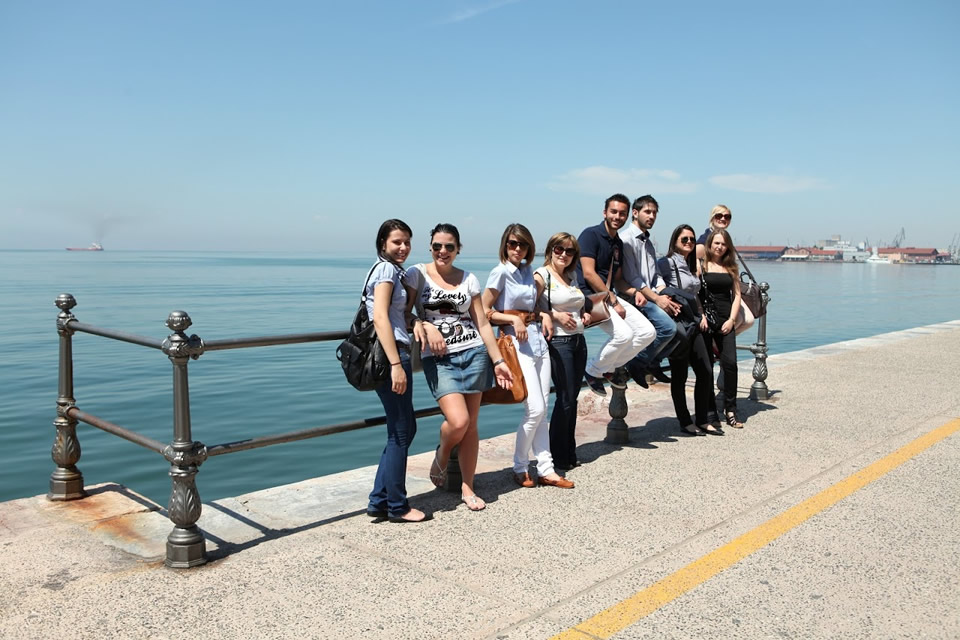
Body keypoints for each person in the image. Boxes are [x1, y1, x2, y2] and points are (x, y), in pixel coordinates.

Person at [405, 223, 514, 511]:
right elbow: (403, 315)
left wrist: (498, 361)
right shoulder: (417, 274)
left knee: (472, 425)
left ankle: (468, 486)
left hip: (474, 353)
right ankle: (442, 454)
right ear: (430, 247)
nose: (443, 251)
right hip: (440, 359)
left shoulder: (469, 280)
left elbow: (481, 323)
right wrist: (423, 323)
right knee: (458, 421)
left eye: (449, 247)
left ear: (458, 249)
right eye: (438, 246)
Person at [482, 224, 574, 489]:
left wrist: (543, 314)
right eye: (512, 244)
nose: (517, 249)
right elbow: (484, 311)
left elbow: (534, 307)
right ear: (505, 245)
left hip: (538, 342)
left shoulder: (527, 272)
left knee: (542, 409)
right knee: (534, 409)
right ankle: (520, 466)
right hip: (514, 344)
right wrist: (512, 318)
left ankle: (546, 469)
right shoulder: (500, 273)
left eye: (522, 245)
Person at [365, 219, 428, 522]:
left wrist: (415, 321)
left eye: (406, 242)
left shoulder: (388, 270)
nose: (403, 248)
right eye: (396, 242)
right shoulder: (387, 270)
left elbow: (395, 314)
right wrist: (395, 365)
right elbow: (380, 318)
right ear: (383, 245)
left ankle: (379, 500)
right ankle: (397, 507)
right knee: (402, 432)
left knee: (400, 430)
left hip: (394, 355)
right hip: (393, 357)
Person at [576, 194, 656, 396]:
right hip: (589, 298)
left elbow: (618, 280)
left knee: (648, 333)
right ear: (605, 212)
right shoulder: (590, 235)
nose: (617, 216)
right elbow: (588, 273)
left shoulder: (617, 243)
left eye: (622, 213)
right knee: (624, 335)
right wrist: (612, 300)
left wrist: (635, 292)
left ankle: (608, 367)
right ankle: (592, 370)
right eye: (613, 211)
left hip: (607, 296)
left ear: (627, 215)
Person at [657, 225, 724, 436]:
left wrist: (702, 314)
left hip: (695, 322)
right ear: (675, 241)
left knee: (705, 371)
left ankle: (703, 419)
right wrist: (663, 297)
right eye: (684, 239)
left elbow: (695, 295)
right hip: (679, 324)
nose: (688, 242)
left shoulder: (691, 264)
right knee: (680, 375)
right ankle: (685, 421)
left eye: (692, 239)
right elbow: (657, 283)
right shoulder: (666, 263)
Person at [533, 232, 592, 470]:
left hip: (578, 340)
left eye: (569, 251)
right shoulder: (542, 275)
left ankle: (568, 450)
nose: (564, 255)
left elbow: (578, 302)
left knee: (572, 398)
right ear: (550, 250)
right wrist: (553, 314)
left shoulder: (571, 275)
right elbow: (530, 307)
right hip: (559, 342)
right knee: (565, 399)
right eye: (559, 249)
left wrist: (584, 312)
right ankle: (557, 453)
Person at [619, 195, 680, 388]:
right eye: (647, 211)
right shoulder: (626, 240)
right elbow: (633, 278)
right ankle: (637, 362)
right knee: (668, 328)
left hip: (652, 296)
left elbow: (656, 276)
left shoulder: (648, 242)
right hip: (634, 297)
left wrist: (664, 294)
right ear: (635, 213)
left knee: (682, 329)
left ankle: (653, 362)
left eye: (654, 213)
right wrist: (657, 299)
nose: (651, 216)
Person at [701, 229, 744, 428]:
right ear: (710, 244)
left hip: (727, 320)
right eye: (716, 243)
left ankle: (731, 409)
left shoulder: (731, 267)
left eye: (723, 244)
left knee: (730, 364)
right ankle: (710, 412)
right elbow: (696, 293)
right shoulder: (702, 265)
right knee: (707, 367)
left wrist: (732, 319)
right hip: (707, 321)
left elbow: (737, 296)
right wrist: (701, 316)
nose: (719, 247)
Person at [696, 204, 755, 336]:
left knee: (749, 320)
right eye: (719, 216)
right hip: (710, 289)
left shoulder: (724, 237)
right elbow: (691, 263)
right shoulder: (704, 241)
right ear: (712, 218)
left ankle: (718, 345)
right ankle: (718, 345)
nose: (723, 219)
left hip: (726, 287)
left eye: (727, 216)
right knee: (741, 319)